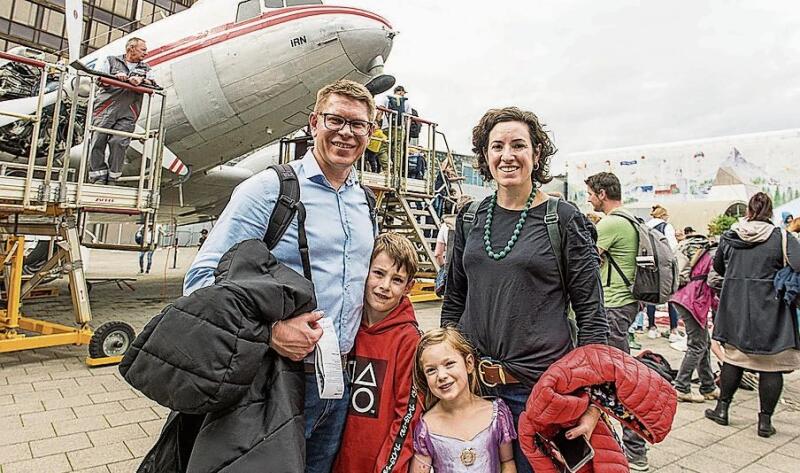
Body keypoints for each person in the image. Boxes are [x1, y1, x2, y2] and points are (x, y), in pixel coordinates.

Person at [184, 79, 377, 473]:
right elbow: (202, 280)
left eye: (357, 124)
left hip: (338, 381)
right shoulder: (270, 190)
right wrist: (269, 333)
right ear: (313, 123)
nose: (345, 132)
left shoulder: (365, 202)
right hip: (276, 379)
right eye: (335, 119)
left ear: (370, 133)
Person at [442, 107, 608, 473]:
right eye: (497, 146)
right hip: (474, 391)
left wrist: (596, 402)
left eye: (519, 145)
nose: (507, 155)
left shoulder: (563, 220)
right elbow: (454, 299)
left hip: (536, 393)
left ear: (536, 154)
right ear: (485, 157)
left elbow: (593, 317)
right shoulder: (470, 218)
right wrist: (448, 369)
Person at [705, 192, 800, 438]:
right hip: (771, 308)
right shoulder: (781, 237)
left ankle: (722, 410)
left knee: (734, 359)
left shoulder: (731, 236)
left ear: (748, 209)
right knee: (771, 366)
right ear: (770, 211)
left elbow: (718, 267)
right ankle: (765, 422)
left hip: (735, 306)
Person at [333, 233, 421, 473]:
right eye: (378, 273)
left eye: (397, 280)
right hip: (336, 459)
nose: (384, 286)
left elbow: (408, 414)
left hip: (377, 464)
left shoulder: (409, 340)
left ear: (408, 287)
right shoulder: (346, 327)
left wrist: (388, 467)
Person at [585, 171, 649, 471]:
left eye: (590, 193)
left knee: (614, 383)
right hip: (624, 305)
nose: (588, 198)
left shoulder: (611, 223)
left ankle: (635, 450)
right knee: (615, 379)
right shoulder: (630, 219)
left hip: (611, 307)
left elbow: (583, 260)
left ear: (601, 193)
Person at [410, 327, 517, 473]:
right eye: (431, 370)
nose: (441, 375)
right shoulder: (426, 427)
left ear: (469, 364)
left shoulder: (496, 414)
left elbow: (507, 462)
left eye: (449, 364)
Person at [89, 37, 154, 185]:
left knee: (120, 142)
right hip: (106, 107)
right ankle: (98, 175)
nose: (146, 53)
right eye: (143, 49)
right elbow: (101, 79)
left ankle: (113, 176)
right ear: (131, 48)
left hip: (129, 111)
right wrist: (116, 78)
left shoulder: (145, 68)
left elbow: (153, 83)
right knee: (98, 140)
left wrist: (141, 81)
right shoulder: (111, 61)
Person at [670, 228, 720, 403]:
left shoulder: (708, 251)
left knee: (703, 342)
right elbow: (713, 282)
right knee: (697, 345)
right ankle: (681, 386)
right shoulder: (716, 254)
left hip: (685, 297)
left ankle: (708, 386)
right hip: (693, 300)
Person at [644, 204, 682, 343]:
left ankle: (652, 327)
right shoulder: (666, 227)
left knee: (650, 297)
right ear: (664, 215)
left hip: (648, 265)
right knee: (671, 296)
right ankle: (673, 330)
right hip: (665, 266)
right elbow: (673, 247)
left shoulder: (645, 226)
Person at [378, 85, 411, 164]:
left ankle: (386, 168)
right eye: (404, 92)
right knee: (398, 150)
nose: (404, 94)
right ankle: (396, 171)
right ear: (401, 91)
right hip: (400, 128)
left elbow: (380, 112)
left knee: (382, 148)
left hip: (387, 127)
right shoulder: (406, 101)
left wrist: (377, 122)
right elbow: (408, 118)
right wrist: (406, 131)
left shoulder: (386, 98)